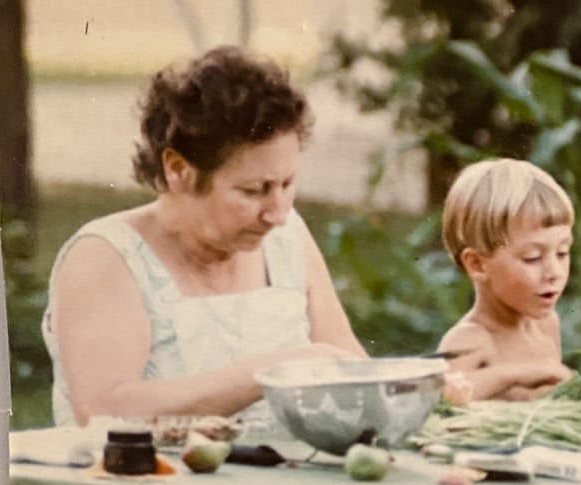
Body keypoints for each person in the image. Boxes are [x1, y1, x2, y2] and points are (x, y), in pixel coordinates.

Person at [42, 46, 366, 427]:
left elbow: (350, 364)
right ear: (179, 169)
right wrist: (270, 372)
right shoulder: (107, 256)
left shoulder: (286, 236)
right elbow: (103, 411)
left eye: (288, 183)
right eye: (253, 190)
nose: (278, 213)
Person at [435, 157, 575, 401]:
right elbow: (441, 394)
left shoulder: (546, 324)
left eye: (562, 252)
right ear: (478, 264)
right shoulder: (471, 338)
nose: (554, 271)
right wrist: (517, 374)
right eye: (532, 258)